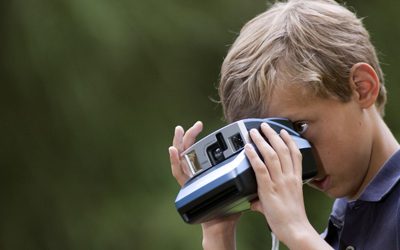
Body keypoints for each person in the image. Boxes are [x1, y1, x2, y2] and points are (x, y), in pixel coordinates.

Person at [168, 0, 400, 249]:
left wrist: (296, 231)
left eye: (299, 128)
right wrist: (218, 232)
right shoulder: (335, 232)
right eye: (271, 142)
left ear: (361, 88)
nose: (295, 156)